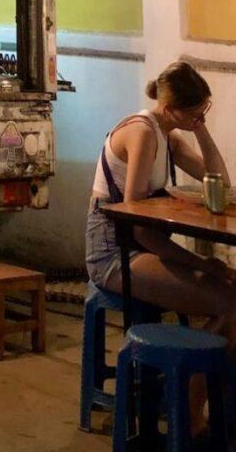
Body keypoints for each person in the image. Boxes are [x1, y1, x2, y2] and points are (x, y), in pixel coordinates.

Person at [86, 61, 236, 432]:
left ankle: (208, 408)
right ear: (172, 110)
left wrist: (202, 131)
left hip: (145, 246)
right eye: (197, 111)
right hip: (114, 252)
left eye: (206, 110)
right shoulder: (143, 133)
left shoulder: (167, 133)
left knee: (231, 294)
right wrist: (202, 261)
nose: (202, 116)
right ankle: (187, 411)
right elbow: (137, 225)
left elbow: (219, 181)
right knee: (229, 302)